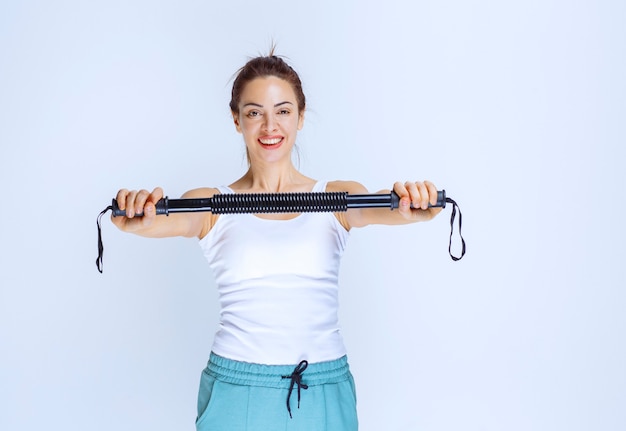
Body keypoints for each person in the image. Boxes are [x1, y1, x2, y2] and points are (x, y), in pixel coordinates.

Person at [111, 49, 443, 431]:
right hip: (237, 391)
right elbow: (158, 222)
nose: (270, 126)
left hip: (322, 387)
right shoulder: (212, 204)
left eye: (283, 111)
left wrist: (415, 203)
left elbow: (385, 208)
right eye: (254, 112)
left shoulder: (337, 197)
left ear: (301, 116)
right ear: (237, 120)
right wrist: (135, 217)